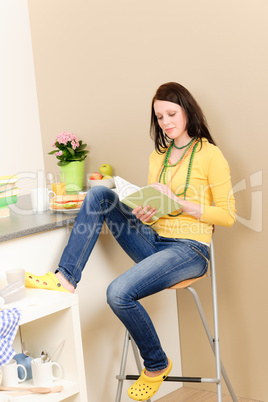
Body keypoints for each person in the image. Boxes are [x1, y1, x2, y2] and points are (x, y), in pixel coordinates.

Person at [25, 82, 236, 401]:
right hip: (153, 240)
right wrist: (145, 210)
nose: (166, 122)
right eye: (160, 116)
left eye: (171, 113)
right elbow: (154, 210)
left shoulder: (210, 154)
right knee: (99, 194)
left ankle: (156, 364)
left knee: (118, 292)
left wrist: (181, 203)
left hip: (189, 250)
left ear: (187, 110)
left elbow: (228, 215)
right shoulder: (159, 156)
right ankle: (66, 278)